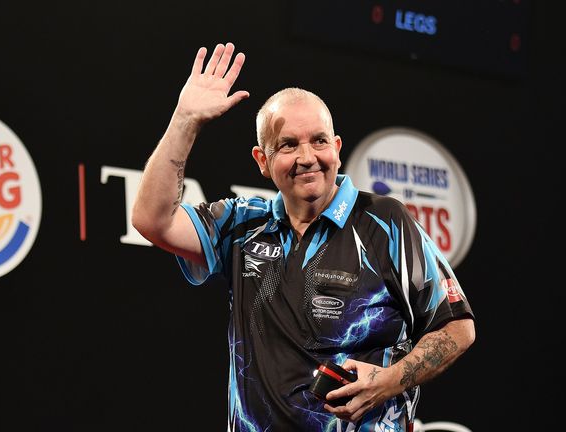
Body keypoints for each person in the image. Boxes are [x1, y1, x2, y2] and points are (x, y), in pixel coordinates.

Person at [132, 42, 475, 431]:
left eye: (319, 140)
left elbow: (457, 327)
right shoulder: (242, 224)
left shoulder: (384, 221)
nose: (307, 156)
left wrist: (386, 382)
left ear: (337, 148)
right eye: (288, 145)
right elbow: (152, 219)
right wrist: (185, 120)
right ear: (263, 161)